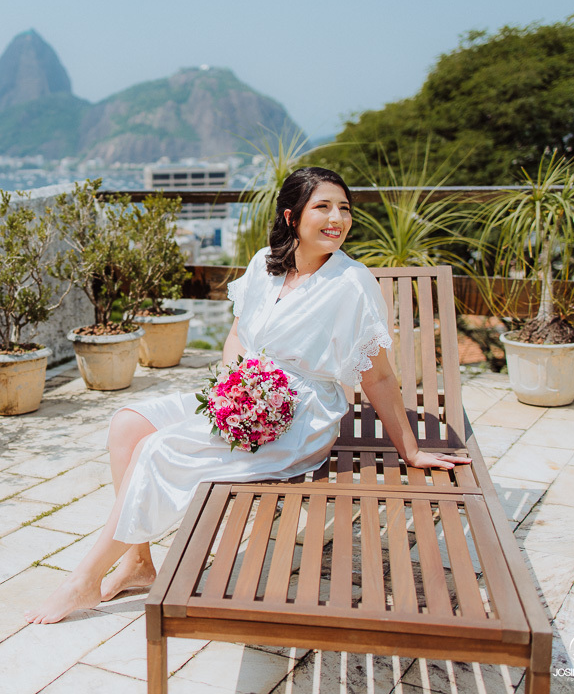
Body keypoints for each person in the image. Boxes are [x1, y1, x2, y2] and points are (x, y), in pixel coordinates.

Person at [24, 167, 472, 625]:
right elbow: (238, 334)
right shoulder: (263, 264)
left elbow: (377, 377)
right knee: (128, 423)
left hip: (300, 415)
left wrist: (411, 451)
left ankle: (83, 579)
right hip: (243, 390)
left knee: (158, 450)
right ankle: (137, 562)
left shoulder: (352, 283)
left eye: (344, 208)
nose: (337, 218)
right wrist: (230, 386)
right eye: (323, 207)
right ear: (291, 215)